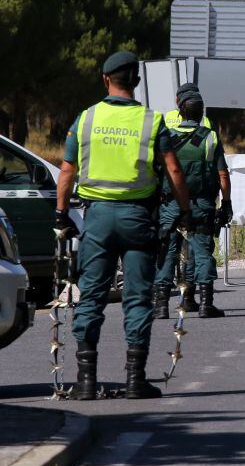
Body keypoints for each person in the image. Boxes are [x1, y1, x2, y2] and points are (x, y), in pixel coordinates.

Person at [55, 51, 193, 400]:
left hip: (98, 219)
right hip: (137, 218)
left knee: (92, 296)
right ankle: (135, 380)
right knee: (137, 298)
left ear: (106, 79)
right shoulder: (152, 121)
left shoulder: (86, 118)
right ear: (137, 81)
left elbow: (67, 169)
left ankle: (86, 381)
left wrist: (61, 214)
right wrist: (185, 211)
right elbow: (174, 169)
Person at [152, 85, 231, 319]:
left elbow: (155, 172)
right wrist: (226, 203)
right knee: (202, 251)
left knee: (167, 251)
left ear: (180, 111)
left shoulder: (165, 136)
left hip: (170, 204)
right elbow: (223, 175)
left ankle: (161, 306)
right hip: (200, 204)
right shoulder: (210, 137)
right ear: (201, 112)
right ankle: (206, 304)